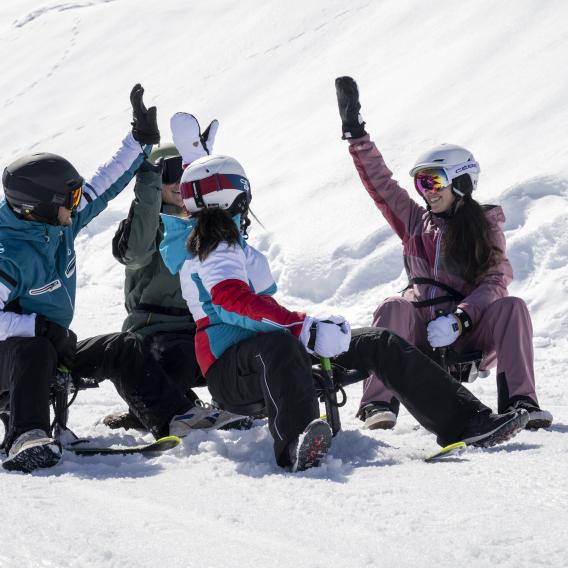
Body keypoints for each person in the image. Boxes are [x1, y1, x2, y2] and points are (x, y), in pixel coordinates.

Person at [158, 151, 529, 473]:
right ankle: (296, 442)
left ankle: (467, 422)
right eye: (244, 193)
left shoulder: (227, 245)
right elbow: (231, 301)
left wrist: (313, 326)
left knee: (379, 342)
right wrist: (302, 327)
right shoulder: (211, 248)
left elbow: (263, 313)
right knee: (279, 344)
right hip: (230, 373)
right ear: (232, 196)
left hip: (265, 359)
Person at [0, 87, 239, 474]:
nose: (78, 202)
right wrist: (37, 327)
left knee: (121, 347)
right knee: (33, 349)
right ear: (39, 206)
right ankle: (26, 437)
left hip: (51, 349)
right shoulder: (8, 255)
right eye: (70, 197)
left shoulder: (56, 223)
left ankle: (175, 416)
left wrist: (139, 141)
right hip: (14, 360)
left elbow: (104, 182)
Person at [334, 76, 553, 432]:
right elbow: (381, 184)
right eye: (421, 184)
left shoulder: (484, 227)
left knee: (512, 306)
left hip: (468, 332)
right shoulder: (415, 221)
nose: (426, 193)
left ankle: (520, 402)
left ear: (461, 182)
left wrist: (460, 320)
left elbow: (496, 281)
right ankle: (377, 405)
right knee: (393, 306)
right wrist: (355, 134)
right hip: (421, 330)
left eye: (433, 182)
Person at [99, 112, 248, 431]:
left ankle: (233, 405)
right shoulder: (146, 221)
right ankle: (161, 408)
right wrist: (149, 184)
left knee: (239, 351)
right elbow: (136, 255)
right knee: (170, 358)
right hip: (156, 328)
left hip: (204, 325)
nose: (177, 185)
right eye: (167, 173)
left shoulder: (208, 219)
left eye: (183, 174)